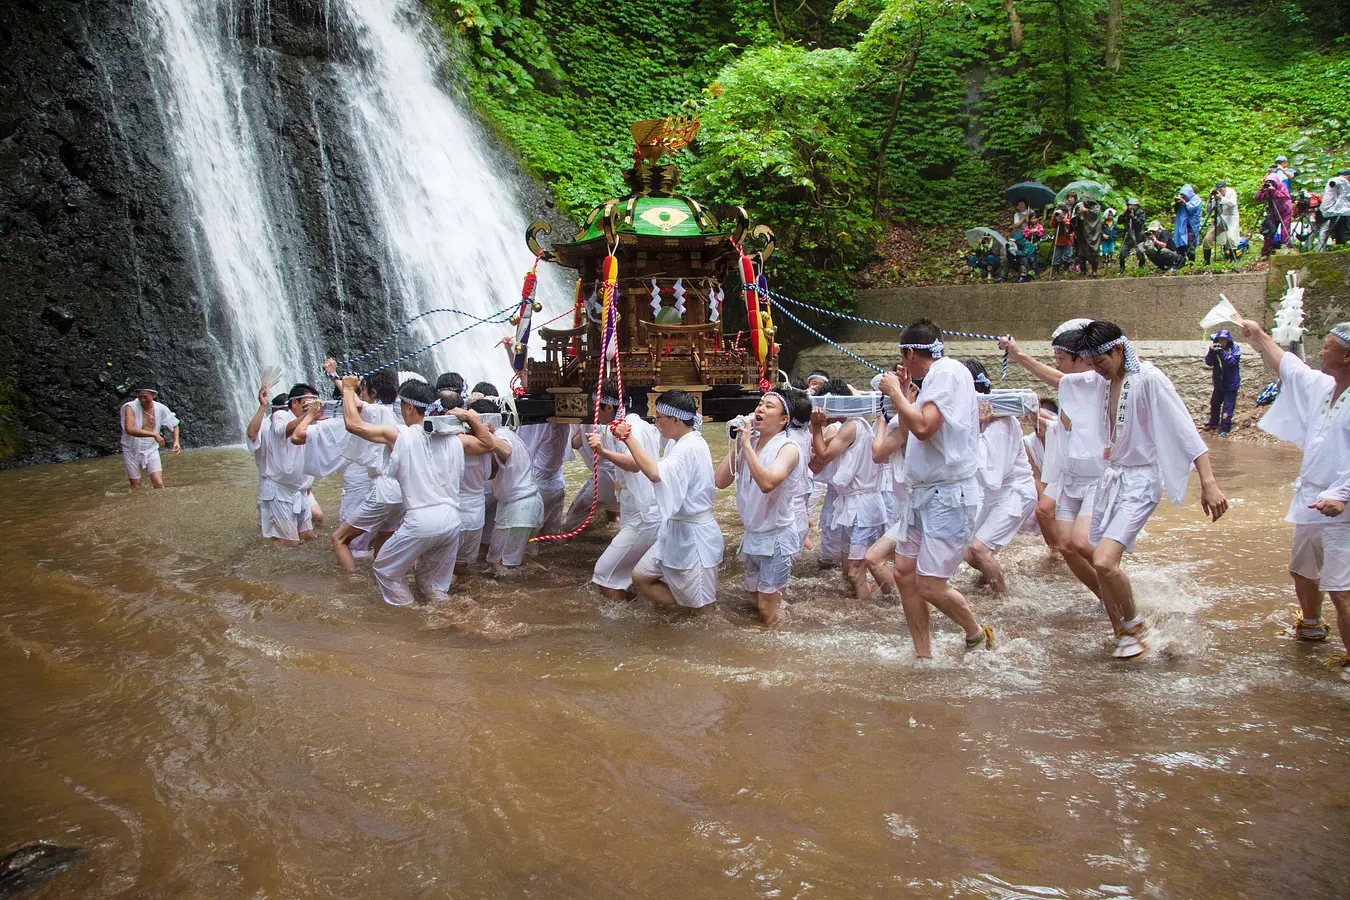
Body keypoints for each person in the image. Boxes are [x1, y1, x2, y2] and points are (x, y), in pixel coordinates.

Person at [1076, 321, 1229, 659]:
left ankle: (1135, 626)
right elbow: (1065, 381)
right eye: (1090, 365)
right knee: (1097, 557)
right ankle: (1121, 632)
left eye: (1099, 363)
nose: (1096, 371)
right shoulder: (1106, 382)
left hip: (1142, 481)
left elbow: (1185, 430)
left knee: (1103, 561)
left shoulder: (1150, 379)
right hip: (1114, 478)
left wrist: (1209, 483)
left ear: (1118, 351)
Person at [876, 319, 995, 659]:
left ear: (909, 352)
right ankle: (923, 653)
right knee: (904, 573)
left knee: (929, 583)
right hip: (921, 494)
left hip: (948, 495)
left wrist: (897, 393)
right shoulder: (936, 377)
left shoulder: (946, 372)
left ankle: (976, 633)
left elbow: (925, 428)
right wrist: (908, 391)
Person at [1241, 319, 1350, 663]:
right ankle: (1312, 626)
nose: (1322, 350)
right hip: (1312, 497)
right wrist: (1258, 335)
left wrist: (1343, 496)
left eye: (1329, 346)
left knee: (1343, 593)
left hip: (1342, 504)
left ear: (1347, 357)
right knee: (1301, 569)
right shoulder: (1324, 385)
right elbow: (1289, 365)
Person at [338, 375, 496, 605]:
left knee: (385, 571)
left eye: (402, 406)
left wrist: (347, 389)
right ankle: (456, 619)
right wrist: (470, 417)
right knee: (432, 586)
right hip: (452, 520)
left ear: (410, 407)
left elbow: (353, 424)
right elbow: (489, 444)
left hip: (421, 520)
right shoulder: (455, 438)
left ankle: (412, 621)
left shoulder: (400, 434)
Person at [998, 322, 1104, 604]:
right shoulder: (1073, 388)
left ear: (1080, 360)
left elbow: (1056, 380)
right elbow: (1065, 424)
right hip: (1070, 472)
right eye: (1055, 359)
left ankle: (1113, 579)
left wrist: (1018, 356)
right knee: (1066, 542)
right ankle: (1106, 595)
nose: (1057, 365)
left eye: (1060, 359)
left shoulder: (1093, 380)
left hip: (1095, 476)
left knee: (1080, 544)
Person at [714, 391, 809, 625]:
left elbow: (767, 483)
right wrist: (738, 443)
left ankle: (779, 652)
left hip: (777, 536)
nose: (760, 409)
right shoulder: (750, 443)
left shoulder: (789, 448)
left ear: (783, 419)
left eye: (769, 406)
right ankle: (783, 617)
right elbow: (720, 481)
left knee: (767, 609)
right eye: (759, 404)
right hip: (753, 536)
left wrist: (746, 445)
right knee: (752, 599)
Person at [624, 389, 724, 613]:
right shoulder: (678, 442)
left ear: (676, 420)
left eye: (659, 417)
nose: (656, 422)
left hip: (695, 535)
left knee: (703, 609)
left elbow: (654, 473)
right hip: (676, 529)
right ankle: (685, 609)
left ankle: (699, 626)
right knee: (641, 577)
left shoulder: (689, 446)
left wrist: (628, 438)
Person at [962, 360, 1038, 595]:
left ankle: (1003, 597)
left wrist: (976, 427)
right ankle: (993, 574)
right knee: (965, 549)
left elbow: (992, 473)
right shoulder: (976, 421)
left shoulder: (1002, 423)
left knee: (980, 549)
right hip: (994, 493)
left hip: (1015, 491)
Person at [584, 379, 663, 601]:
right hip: (646, 512)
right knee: (630, 575)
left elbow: (635, 464)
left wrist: (603, 451)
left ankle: (617, 630)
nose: (592, 410)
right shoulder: (636, 423)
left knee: (603, 575)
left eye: (595, 404)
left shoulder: (629, 429)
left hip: (644, 516)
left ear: (609, 407)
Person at [810, 380, 889, 599]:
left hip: (863, 506)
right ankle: (877, 604)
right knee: (848, 570)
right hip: (851, 504)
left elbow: (824, 456)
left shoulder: (853, 425)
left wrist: (816, 427)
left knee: (855, 573)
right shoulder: (851, 425)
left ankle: (889, 604)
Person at [247, 383, 323, 546]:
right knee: (289, 544)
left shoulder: (309, 422)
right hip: (280, 490)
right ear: (294, 402)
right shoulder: (281, 415)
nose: (311, 406)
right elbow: (283, 431)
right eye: (307, 402)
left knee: (308, 537)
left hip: (299, 491)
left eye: (313, 401)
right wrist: (309, 416)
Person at [486, 416, 544, 578]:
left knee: (504, 566)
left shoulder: (500, 437)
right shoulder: (509, 433)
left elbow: (501, 457)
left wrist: (482, 435)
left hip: (518, 508)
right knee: (519, 560)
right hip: (526, 503)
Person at [516, 423, 570, 543]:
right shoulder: (564, 424)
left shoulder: (536, 424)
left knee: (526, 541)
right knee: (552, 537)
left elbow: (519, 451)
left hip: (540, 486)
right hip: (558, 482)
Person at [119, 386, 180, 488]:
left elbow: (174, 424)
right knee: (136, 485)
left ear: (154, 395)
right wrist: (154, 434)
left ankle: (160, 503)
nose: (142, 400)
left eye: (145, 397)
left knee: (158, 483)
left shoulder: (161, 408)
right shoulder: (130, 407)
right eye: (140, 397)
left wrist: (176, 442)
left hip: (151, 448)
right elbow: (129, 429)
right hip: (131, 449)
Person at [1204, 329, 1241, 435]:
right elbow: (1209, 362)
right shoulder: (1216, 349)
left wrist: (1222, 352)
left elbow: (1232, 362)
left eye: (1223, 340)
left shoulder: (1234, 349)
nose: (1221, 342)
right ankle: (1213, 423)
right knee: (1214, 403)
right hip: (1219, 383)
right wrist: (1211, 353)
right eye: (1219, 340)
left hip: (1231, 384)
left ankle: (1225, 427)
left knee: (1228, 407)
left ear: (1228, 341)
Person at [1203, 181, 1241, 264]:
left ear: (1225, 188)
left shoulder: (1231, 192)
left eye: (1221, 189)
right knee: (1207, 239)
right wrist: (1210, 198)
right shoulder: (1215, 196)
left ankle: (1233, 259)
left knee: (1231, 239)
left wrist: (1221, 198)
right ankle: (1206, 261)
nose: (1220, 191)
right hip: (1219, 220)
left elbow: (1232, 204)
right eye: (1218, 189)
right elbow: (1208, 210)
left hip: (1230, 219)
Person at [1257, 171, 1293, 257]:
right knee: (1269, 231)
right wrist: (1262, 190)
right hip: (1273, 212)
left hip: (1284, 211)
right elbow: (1258, 198)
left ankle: (1286, 248)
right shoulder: (1267, 190)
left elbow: (1283, 196)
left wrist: (1274, 190)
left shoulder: (1282, 187)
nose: (1270, 184)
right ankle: (1266, 252)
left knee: (1285, 231)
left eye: (1272, 182)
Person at [1316, 169, 1350, 251]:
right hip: (1336, 211)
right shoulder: (1339, 181)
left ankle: (1321, 249)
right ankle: (1321, 249)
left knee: (1326, 230)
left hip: (1333, 211)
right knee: (1329, 230)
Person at [1072, 196, 1104, 276]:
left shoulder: (1096, 207)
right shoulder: (1079, 205)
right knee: (1081, 253)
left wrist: (1086, 210)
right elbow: (1074, 219)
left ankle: (1094, 270)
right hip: (1082, 233)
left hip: (1093, 233)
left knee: (1094, 253)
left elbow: (1095, 214)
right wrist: (1078, 212)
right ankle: (1083, 270)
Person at [1172, 185, 1203, 263]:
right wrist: (1177, 203)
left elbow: (1192, 209)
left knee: (1190, 246)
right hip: (1182, 226)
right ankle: (1181, 263)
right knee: (1180, 245)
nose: (1183, 197)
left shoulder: (1196, 199)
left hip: (1191, 225)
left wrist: (1185, 203)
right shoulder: (1182, 201)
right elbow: (1176, 211)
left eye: (1184, 195)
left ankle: (1191, 263)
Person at [1118, 198, 1148, 273]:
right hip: (1129, 237)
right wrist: (1123, 214)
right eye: (1130, 205)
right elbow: (1119, 221)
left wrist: (1133, 217)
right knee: (1122, 252)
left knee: (1140, 252)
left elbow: (1139, 224)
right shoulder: (1127, 213)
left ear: (1137, 206)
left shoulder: (1141, 213)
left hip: (1138, 237)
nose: (1132, 207)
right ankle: (1122, 267)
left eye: (1133, 206)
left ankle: (1141, 267)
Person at [1051, 199, 1075, 277]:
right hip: (1059, 239)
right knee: (1056, 255)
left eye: (1063, 211)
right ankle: (1056, 271)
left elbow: (1070, 224)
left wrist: (1063, 219)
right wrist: (1054, 217)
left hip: (1067, 239)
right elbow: (1052, 225)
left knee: (1067, 255)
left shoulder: (1068, 216)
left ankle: (1066, 269)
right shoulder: (1056, 216)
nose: (1062, 212)